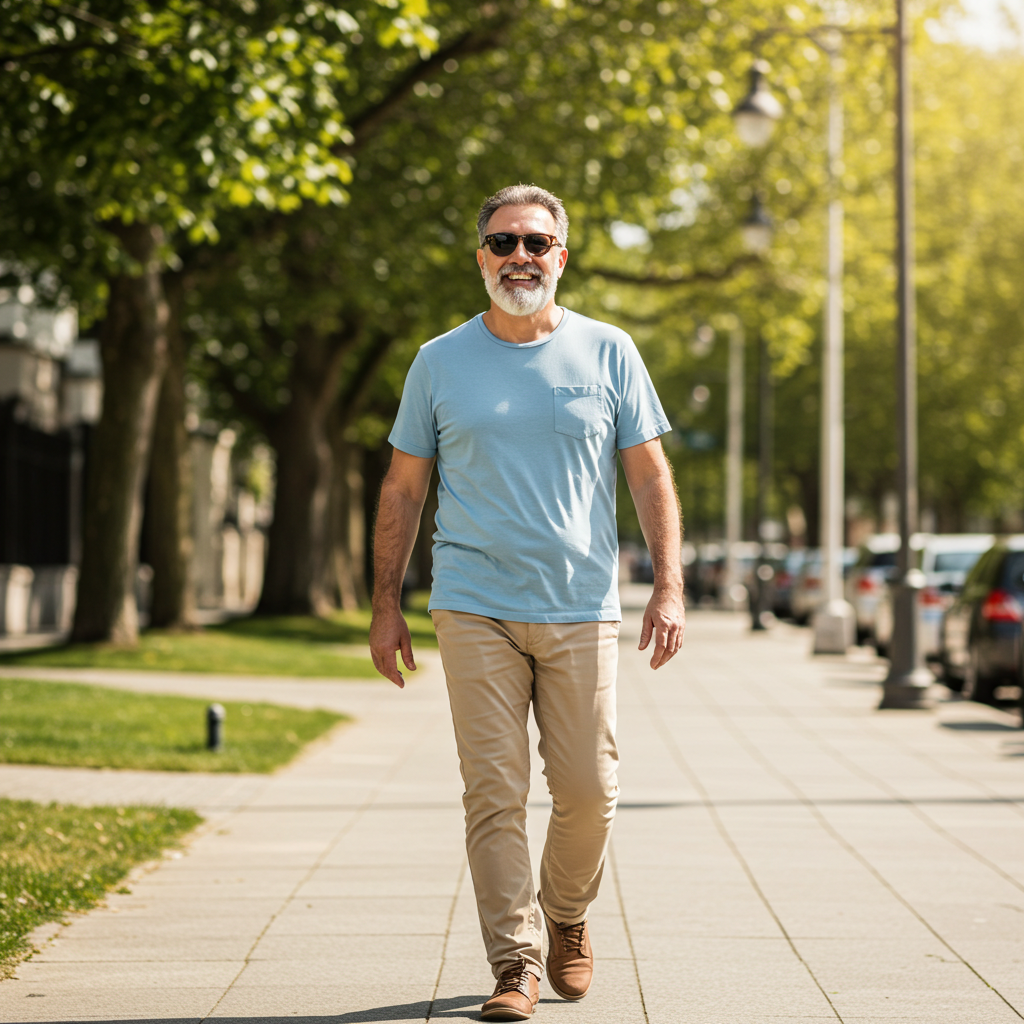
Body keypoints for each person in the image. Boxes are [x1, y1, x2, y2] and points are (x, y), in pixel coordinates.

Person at [369, 183, 684, 1022]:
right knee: (494, 790)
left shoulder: (610, 351)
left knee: (589, 791)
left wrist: (670, 585)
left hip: (582, 604)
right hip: (471, 602)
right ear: (481, 258)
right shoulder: (439, 361)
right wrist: (386, 604)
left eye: (536, 244)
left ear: (561, 257)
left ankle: (567, 913)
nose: (520, 257)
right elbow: (403, 488)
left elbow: (649, 473)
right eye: (504, 243)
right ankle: (515, 965)